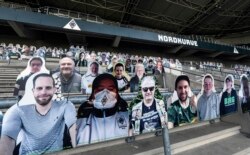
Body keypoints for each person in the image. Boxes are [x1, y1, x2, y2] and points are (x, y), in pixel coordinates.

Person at [0, 73, 77, 155]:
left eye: (48, 88)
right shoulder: (17, 111)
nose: (43, 92)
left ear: (54, 90)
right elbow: (8, 139)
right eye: (39, 88)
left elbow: (73, 128)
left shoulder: (65, 105)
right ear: (33, 91)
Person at [76, 73, 129, 145]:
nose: (105, 93)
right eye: (100, 89)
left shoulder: (127, 117)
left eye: (110, 89)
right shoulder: (82, 121)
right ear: (93, 94)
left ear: (116, 93)